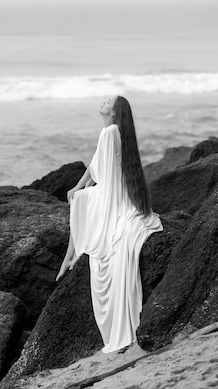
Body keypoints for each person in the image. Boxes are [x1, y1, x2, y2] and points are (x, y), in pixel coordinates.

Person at [55, 96, 163, 353]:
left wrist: (81, 191)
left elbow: (100, 171)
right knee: (80, 197)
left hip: (113, 195)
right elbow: (95, 166)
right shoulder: (110, 131)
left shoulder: (111, 131)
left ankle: (68, 258)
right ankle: (69, 257)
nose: (102, 101)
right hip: (114, 192)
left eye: (108, 101)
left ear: (114, 112)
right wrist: (78, 186)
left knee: (81, 201)